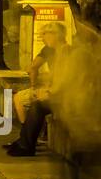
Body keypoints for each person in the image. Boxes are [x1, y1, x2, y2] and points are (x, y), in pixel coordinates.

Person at [5, 21, 70, 156]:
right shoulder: (51, 50)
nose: (43, 38)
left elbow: (66, 79)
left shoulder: (66, 52)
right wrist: (40, 88)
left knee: (37, 105)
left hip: (66, 96)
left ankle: (26, 145)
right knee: (30, 101)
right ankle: (24, 141)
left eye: (45, 35)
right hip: (55, 91)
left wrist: (49, 92)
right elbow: (35, 68)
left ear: (56, 35)